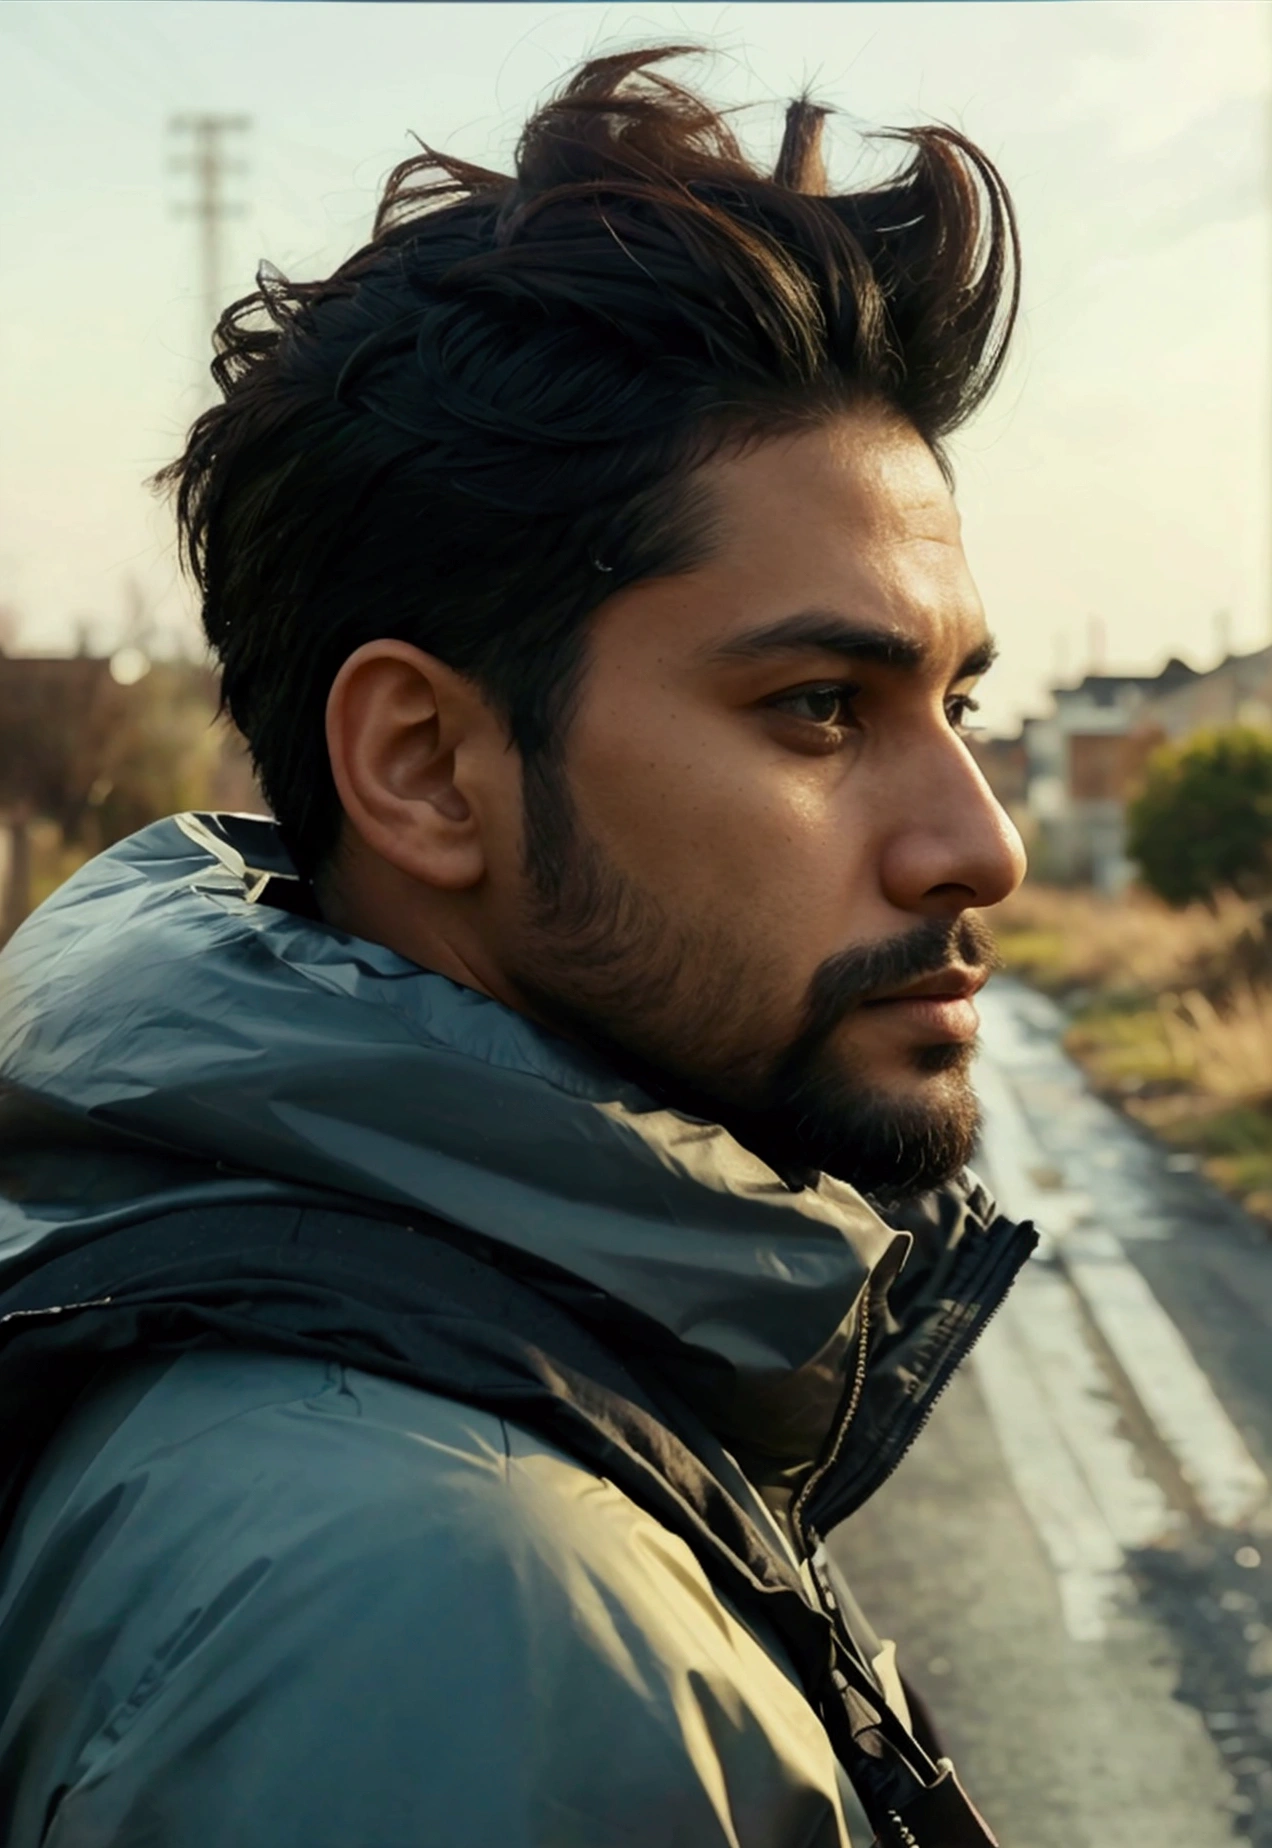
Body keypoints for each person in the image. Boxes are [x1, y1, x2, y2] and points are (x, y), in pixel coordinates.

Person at [0, 47, 1034, 1848]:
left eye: (954, 700)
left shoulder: (376, 1356)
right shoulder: (453, 1606)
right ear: (424, 770)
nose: (981, 843)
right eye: (816, 706)